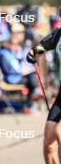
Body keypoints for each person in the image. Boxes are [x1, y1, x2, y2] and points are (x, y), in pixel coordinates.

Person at [27, 28, 61, 164]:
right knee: (49, 142)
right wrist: (45, 79)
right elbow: (39, 49)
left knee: (59, 132)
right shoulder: (59, 34)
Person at [0, 23, 38, 113]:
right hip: (12, 78)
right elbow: (10, 69)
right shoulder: (4, 53)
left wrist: (18, 55)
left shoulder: (17, 50)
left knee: (33, 78)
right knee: (33, 81)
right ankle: (28, 106)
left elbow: (21, 64)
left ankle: (28, 105)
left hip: (17, 76)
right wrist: (21, 71)